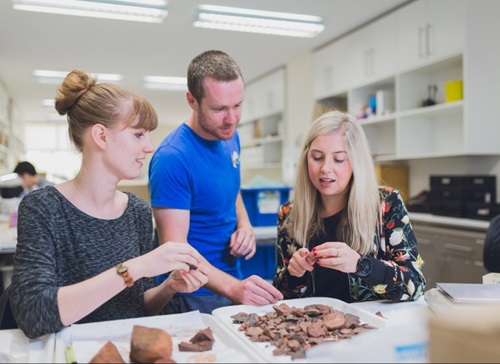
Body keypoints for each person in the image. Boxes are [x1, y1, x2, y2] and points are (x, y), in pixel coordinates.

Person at [9, 70, 209, 339]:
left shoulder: (137, 211)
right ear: (101, 136)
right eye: (139, 135)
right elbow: (34, 315)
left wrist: (170, 286)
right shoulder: (43, 208)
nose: (150, 147)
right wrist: (135, 268)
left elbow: (139, 307)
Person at [149, 50, 283, 314]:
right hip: (192, 293)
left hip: (232, 278)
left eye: (237, 106)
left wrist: (245, 225)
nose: (231, 119)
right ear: (192, 100)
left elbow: (231, 192)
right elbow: (176, 252)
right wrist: (234, 288)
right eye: (219, 108)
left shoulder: (229, 137)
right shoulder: (172, 158)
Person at [273, 110, 426, 302]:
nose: (325, 168)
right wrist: (293, 274)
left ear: (356, 162)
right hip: (312, 328)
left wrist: (361, 265)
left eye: (339, 159)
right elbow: (281, 294)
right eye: (317, 157)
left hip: (370, 325)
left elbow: (415, 284)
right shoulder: (289, 214)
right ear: (305, 159)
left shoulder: (386, 204)